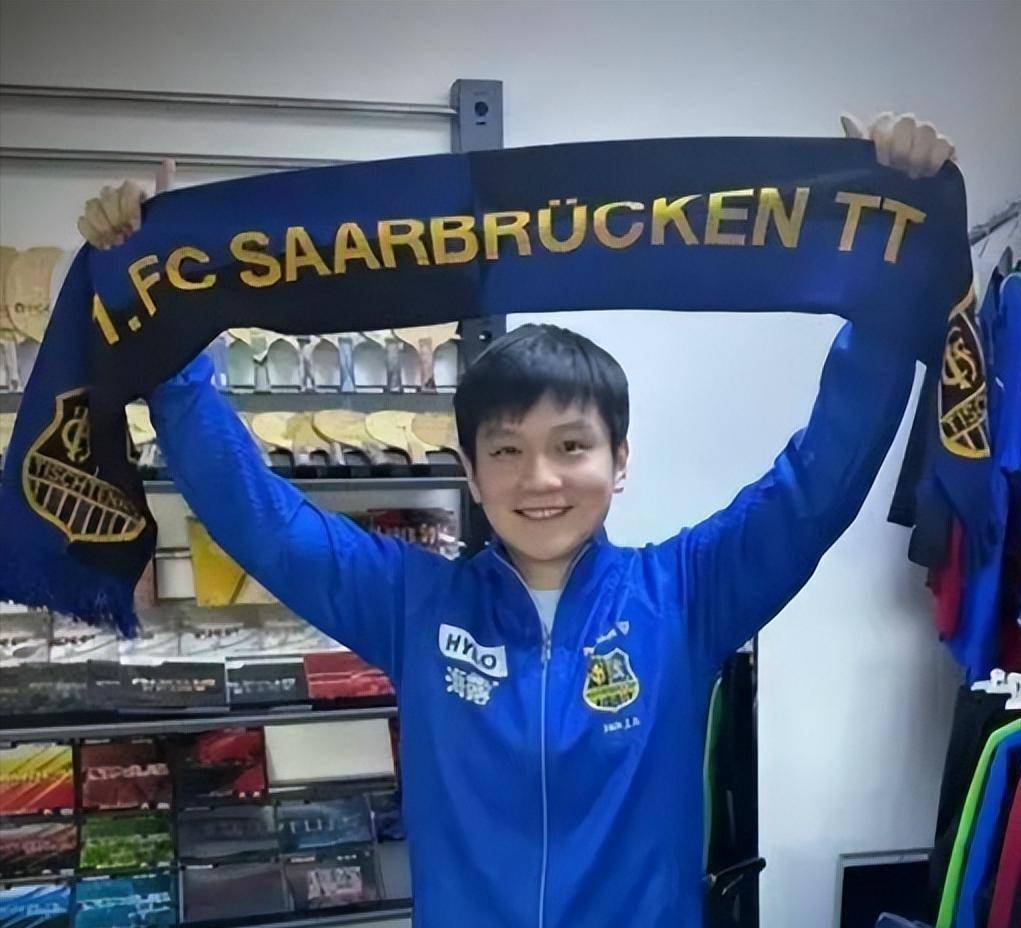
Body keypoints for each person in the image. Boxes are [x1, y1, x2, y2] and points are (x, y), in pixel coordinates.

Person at [78, 114, 954, 927]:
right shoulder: (411, 604)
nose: (539, 479)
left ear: (620, 461)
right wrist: (169, 339)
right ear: (469, 470)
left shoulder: (686, 596)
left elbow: (814, 485)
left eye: (571, 445)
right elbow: (261, 520)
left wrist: (884, 289)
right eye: (506, 450)